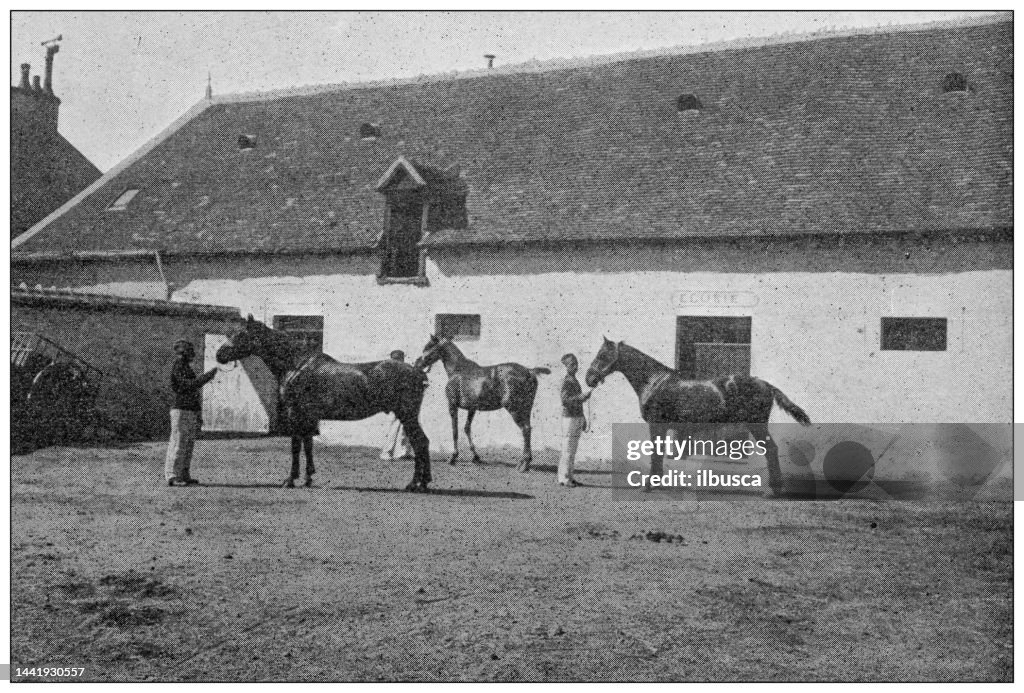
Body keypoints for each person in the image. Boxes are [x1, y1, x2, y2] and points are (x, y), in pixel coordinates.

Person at [165, 339, 218, 486]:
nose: (193, 354)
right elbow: (189, 386)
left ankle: (183, 474)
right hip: (181, 409)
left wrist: (198, 413)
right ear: (183, 353)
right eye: (190, 351)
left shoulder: (185, 367)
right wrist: (207, 376)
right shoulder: (178, 366)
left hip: (188, 410)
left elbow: (193, 390)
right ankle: (173, 476)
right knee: (179, 443)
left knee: (187, 444)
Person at [558, 353, 592, 487]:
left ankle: (569, 477)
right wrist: (582, 397)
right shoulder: (567, 381)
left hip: (576, 417)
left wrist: (582, 418)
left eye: (576, 364)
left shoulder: (574, 380)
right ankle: (564, 478)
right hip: (569, 418)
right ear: (566, 367)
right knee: (568, 450)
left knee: (572, 450)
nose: (575, 366)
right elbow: (565, 400)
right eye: (572, 364)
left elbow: (576, 401)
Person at [380, 349, 413, 461]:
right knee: (395, 428)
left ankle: (405, 452)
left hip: (406, 403)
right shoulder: (391, 372)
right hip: (398, 404)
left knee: (406, 429)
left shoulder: (406, 369)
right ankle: (387, 452)